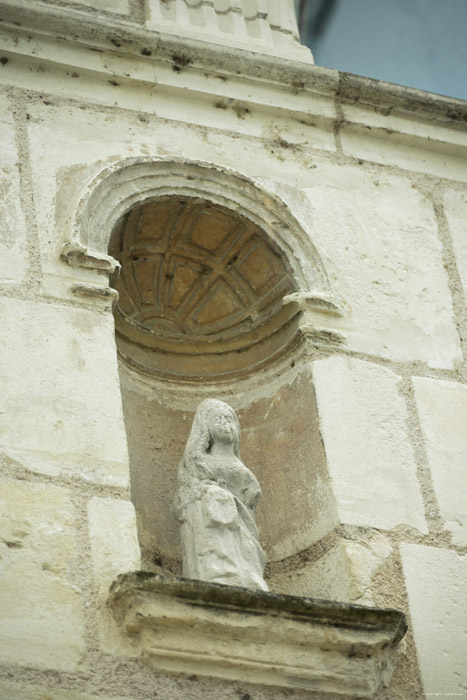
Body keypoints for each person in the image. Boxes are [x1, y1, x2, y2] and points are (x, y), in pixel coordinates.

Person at [173, 399, 268, 591]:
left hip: (241, 525)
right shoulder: (197, 461)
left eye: (229, 419)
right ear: (205, 427)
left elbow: (251, 494)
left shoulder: (239, 465)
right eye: (218, 419)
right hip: (211, 523)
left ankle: (245, 576)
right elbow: (183, 498)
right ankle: (217, 574)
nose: (226, 424)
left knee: (244, 556)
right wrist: (208, 491)